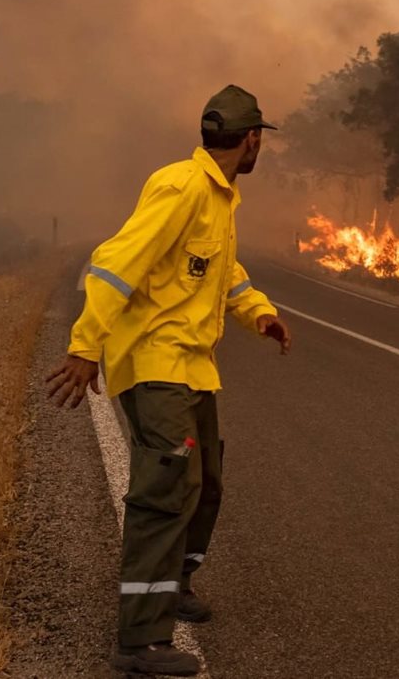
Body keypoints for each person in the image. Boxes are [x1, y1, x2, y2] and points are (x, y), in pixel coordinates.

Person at [44, 84, 292, 676]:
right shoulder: (180, 187)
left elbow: (224, 273)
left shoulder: (220, 197)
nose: (262, 147)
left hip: (193, 365)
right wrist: (85, 347)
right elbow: (115, 262)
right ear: (251, 138)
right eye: (261, 138)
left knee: (205, 484)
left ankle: (175, 583)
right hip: (155, 364)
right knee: (162, 493)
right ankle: (140, 641)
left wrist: (259, 312)